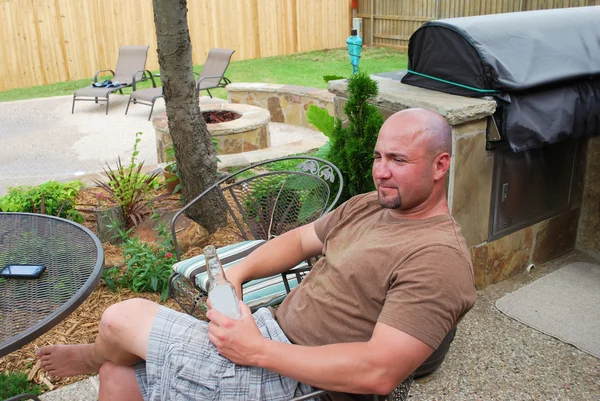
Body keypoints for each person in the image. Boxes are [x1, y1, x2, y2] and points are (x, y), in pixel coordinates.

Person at [37, 108, 476, 401]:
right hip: (269, 333)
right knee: (119, 379)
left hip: (298, 380)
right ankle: (103, 361)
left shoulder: (438, 259)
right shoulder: (370, 205)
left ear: (440, 165)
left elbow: (378, 372)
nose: (381, 171)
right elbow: (301, 240)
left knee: (121, 319)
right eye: (379, 156)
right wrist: (238, 274)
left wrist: (256, 351)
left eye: (397, 159)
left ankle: (91, 357)